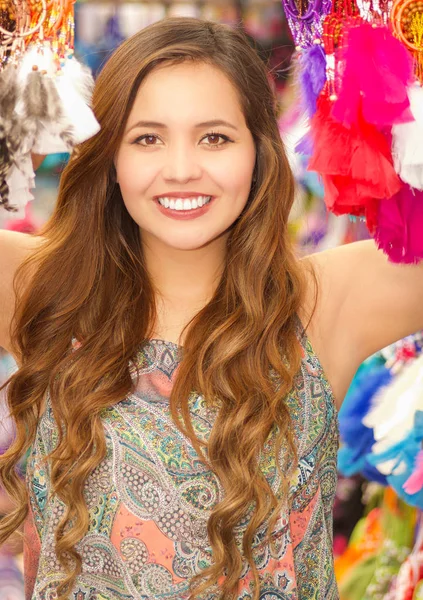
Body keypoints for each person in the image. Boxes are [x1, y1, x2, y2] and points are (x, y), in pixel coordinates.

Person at [0, 16, 422, 600]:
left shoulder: (326, 301)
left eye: (215, 138)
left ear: (260, 153)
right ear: (110, 158)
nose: (181, 169)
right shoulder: (42, 289)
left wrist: (391, 44)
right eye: (147, 137)